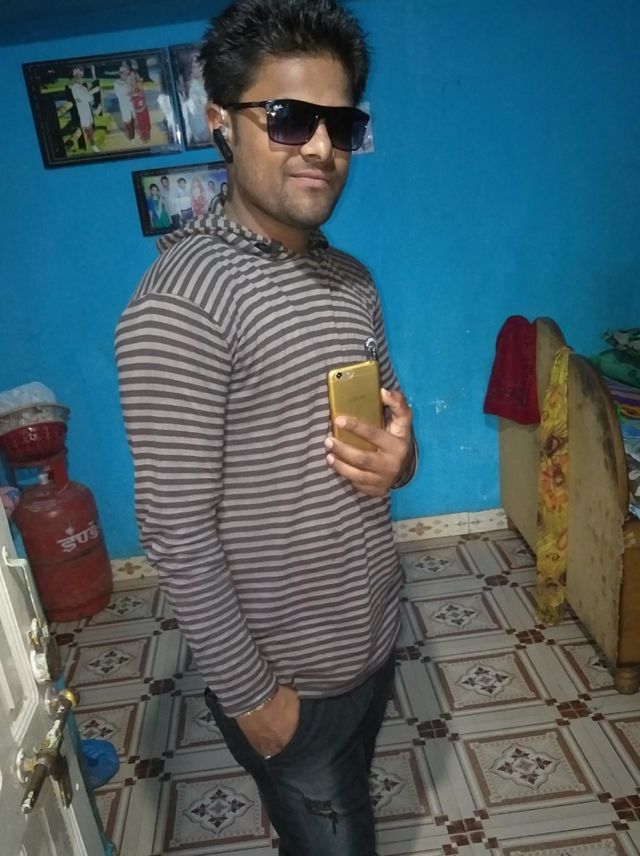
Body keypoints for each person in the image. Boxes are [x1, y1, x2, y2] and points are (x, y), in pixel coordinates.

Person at [115, 2, 416, 854]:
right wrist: (256, 700)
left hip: (373, 636)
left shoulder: (351, 280)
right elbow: (175, 530)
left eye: (340, 124)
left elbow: (389, 433)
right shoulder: (180, 305)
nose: (320, 147)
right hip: (287, 681)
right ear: (222, 121)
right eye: (288, 118)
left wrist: (400, 460)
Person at [70, 66, 100, 152]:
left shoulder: (83, 87)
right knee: (87, 127)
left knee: (89, 125)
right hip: (81, 110)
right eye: (77, 77)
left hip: (86, 108)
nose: (80, 79)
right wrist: (92, 91)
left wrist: (88, 95)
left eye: (80, 77)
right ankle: (93, 145)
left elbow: (89, 98)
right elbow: (86, 97)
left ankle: (91, 140)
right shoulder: (75, 88)